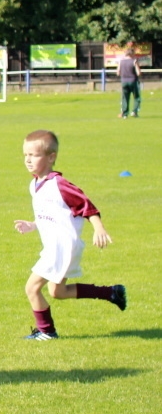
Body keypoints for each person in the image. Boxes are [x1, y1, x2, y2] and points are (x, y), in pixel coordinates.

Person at [14, 130, 126, 339]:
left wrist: (98, 227)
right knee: (58, 292)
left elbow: (85, 204)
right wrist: (33, 225)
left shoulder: (59, 185)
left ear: (51, 157)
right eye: (25, 155)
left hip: (61, 247)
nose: (28, 160)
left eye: (34, 155)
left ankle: (47, 332)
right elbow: (52, 215)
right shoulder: (35, 183)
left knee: (32, 288)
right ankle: (112, 293)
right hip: (58, 247)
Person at [118, 51, 141, 118]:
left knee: (125, 98)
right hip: (133, 81)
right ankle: (134, 111)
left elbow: (118, 72)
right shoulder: (134, 61)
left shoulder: (121, 61)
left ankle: (125, 114)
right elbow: (138, 72)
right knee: (136, 97)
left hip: (124, 82)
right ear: (132, 54)